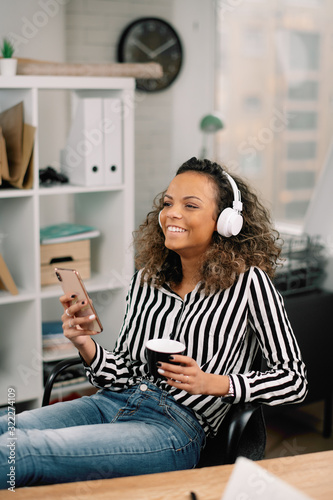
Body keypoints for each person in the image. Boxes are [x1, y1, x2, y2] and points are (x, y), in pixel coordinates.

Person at [0, 157, 307, 489]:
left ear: (225, 222)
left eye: (190, 205)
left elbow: (294, 379)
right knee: (6, 428)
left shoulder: (249, 284)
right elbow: (123, 373)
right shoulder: (147, 279)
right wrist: (85, 345)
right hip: (111, 402)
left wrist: (212, 383)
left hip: (173, 429)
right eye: (167, 203)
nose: (172, 213)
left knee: (19, 452)